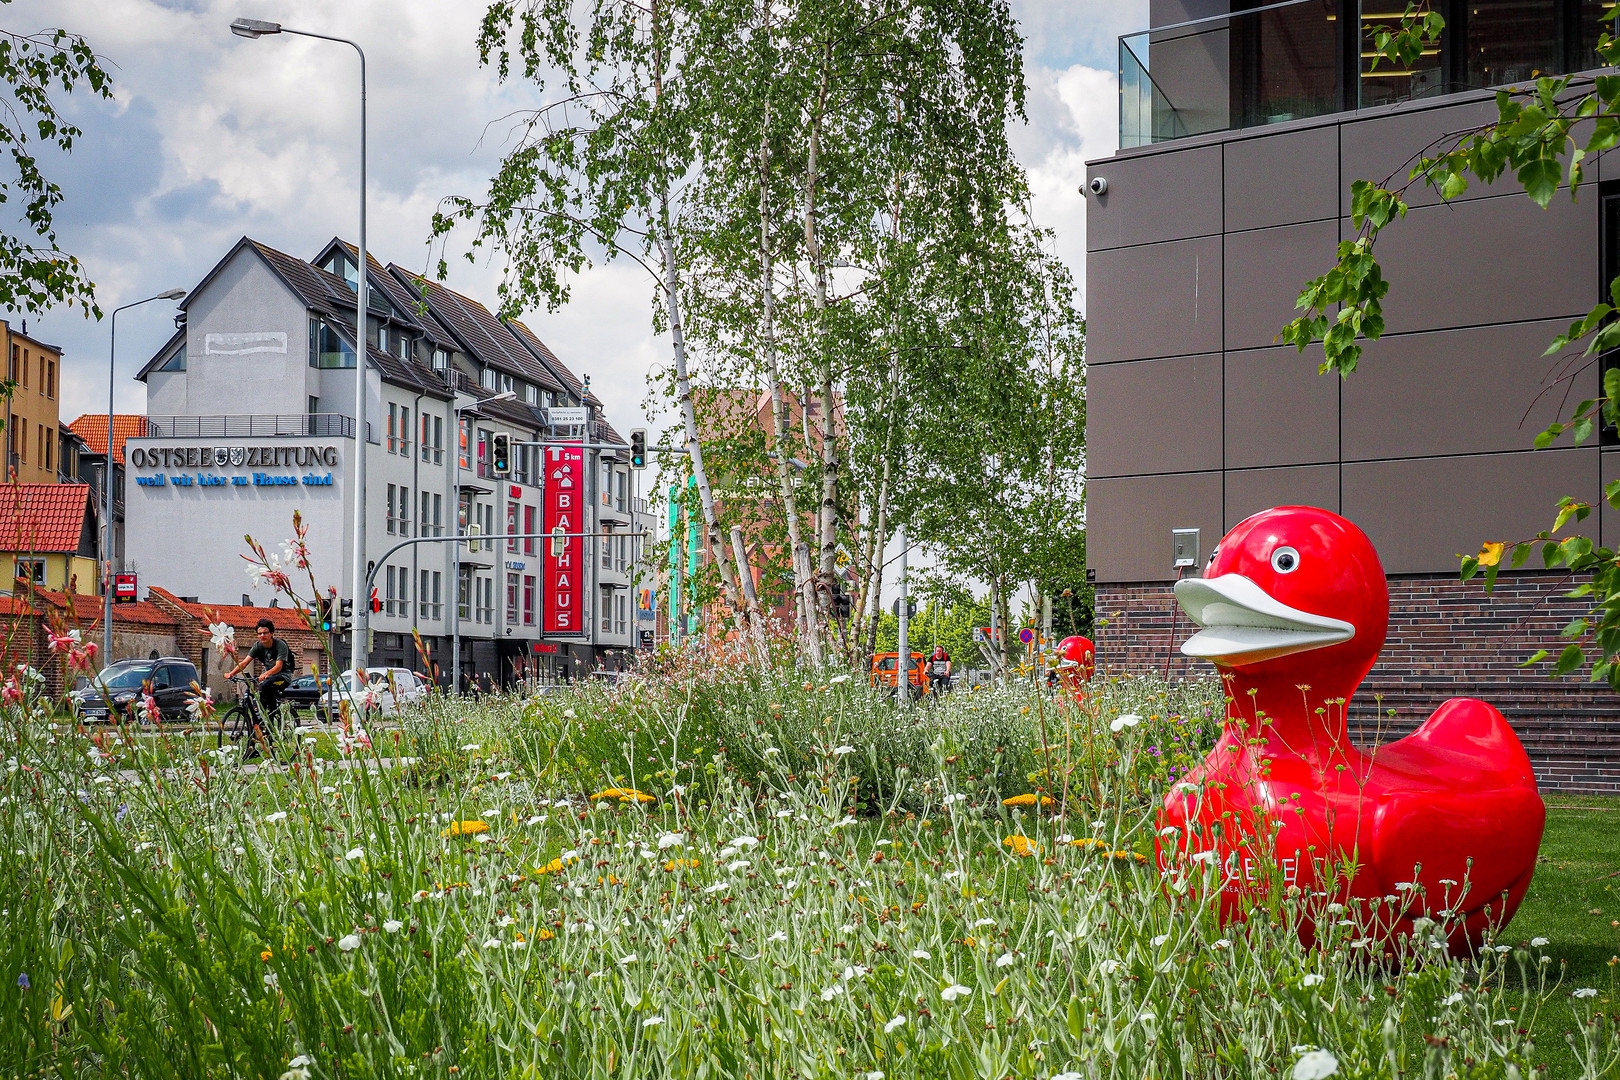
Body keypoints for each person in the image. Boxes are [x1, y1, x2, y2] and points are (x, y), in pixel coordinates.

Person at [226, 618, 294, 758]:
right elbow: (244, 663)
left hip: (282, 677)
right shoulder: (258, 646)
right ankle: (256, 740)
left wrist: (266, 674)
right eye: (259, 633)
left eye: (265, 633)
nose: (262, 636)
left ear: (272, 633)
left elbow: (278, 666)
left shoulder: (280, 645)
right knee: (261, 690)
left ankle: (270, 716)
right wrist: (231, 673)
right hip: (268, 677)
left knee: (264, 685)